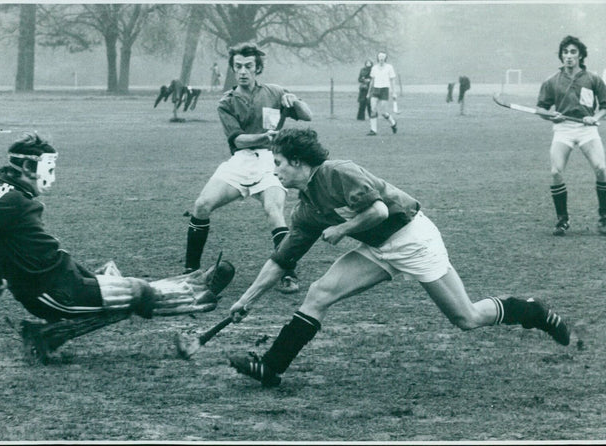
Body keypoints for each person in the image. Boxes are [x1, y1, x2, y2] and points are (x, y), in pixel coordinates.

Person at [226, 128, 572, 387]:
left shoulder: (338, 172)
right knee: (319, 292)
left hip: (413, 238)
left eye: (280, 164)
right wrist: (247, 299)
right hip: (378, 249)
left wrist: (343, 231)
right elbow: (281, 261)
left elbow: (377, 210)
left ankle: (532, 311)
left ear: (299, 162)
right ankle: (271, 368)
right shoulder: (305, 210)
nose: (276, 172)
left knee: (466, 318)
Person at [0, 133, 235, 364]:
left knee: (119, 288)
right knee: (137, 291)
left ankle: (46, 337)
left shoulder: (15, 199)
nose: (52, 173)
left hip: (62, 282)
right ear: (25, 166)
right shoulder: (8, 197)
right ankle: (198, 293)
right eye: (47, 166)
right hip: (58, 292)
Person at [183, 42, 313, 294]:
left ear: (257, 68)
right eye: (238, 66)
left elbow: (307, 115)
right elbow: (238, 139)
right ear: (233, 69)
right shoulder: (227, 102)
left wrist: (293, 101)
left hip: (271, 160)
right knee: (201, 206)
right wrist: (265, 136)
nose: (243, 71)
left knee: (274, 210)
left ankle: (288, 273)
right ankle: (190, 271)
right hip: (241, 160)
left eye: (248, 66)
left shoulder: (275, 92)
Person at [535, 35, 606, 236]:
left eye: (573, 52)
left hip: (587, 129)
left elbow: (605, 107)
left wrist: (594, 117)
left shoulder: (593, 79)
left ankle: (604, 217)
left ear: (581, 55)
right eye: (565, 52)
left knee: (601, 168)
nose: (568, 56)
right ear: (561, 56)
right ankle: (562, 220)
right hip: (563, 129)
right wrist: (552, 116)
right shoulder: (552, 81)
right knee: (555, 172)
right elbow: (541, 109)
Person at [366, 51, 398, 136]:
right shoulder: (374, 68)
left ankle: (393, 123)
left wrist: (394, 92)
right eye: (380, 57)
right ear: (378, 58)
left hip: (384, 90)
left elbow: (392, 80)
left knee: (383, 112)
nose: (381, 58)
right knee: (373, 109)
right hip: (375, 90)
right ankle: (373, 130)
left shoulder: (389, 67)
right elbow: (372, 81)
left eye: (383, 57)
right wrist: (369, 92)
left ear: (385, 58)